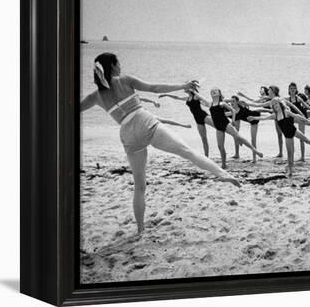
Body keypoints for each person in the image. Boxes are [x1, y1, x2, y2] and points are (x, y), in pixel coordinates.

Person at [80, 53, 240, 234]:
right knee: (186, 151)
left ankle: (140, 230)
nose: (121, 66)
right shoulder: (125, 80)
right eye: (119, 63)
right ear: (114, 66)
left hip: (127, 134)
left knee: (139, 186)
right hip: (144, 122)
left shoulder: (96, 96)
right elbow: (155, 88)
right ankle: (222, 173)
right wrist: (183, 85)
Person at [248, 98, 310, 177]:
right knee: (290, 153)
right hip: (287, 136)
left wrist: (304, 119)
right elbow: (263, 118)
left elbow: (295, 115)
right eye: (273, 104)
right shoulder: (275, 115)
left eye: (276, 103)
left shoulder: (286, 112)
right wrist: (253, 117)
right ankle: (290, 170)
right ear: (272, 106)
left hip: (294, 130)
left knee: (308, 140)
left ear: (280, 104)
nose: (275, 105)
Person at [205, 88, 263, 169]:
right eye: (212, 91)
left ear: (219, 94)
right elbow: (201, 99)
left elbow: (233, 110)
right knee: (220, 146)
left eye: (216, 91)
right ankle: (224, 164)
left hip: (226, 124)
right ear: (211, 95)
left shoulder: (222, 103)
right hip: (218, 127)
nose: (213, 91)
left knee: (239, 137)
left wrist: (232, 120)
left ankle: (256, 151)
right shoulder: (210, 104)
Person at [158, 90, 214, 156]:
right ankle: (206, 157)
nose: (184, 89)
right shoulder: (187, 98)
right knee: (204, 139)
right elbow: (177, 97)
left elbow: (206, 103)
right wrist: (166, 94)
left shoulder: (196, 96)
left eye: (185, 88)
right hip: (197, 120)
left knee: (220, 126)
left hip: (204, 116)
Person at [227, 96, 270, 163]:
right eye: (231, 101)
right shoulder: (232, 111)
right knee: (235, 135)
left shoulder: (241, 106)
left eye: (233, 101)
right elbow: (225, 111)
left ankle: (254, 158)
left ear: (237, 102)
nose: (232, 103)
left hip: (254, 119)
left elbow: (249, 103)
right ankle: (237, 154)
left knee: (253, 140)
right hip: (246, 118)